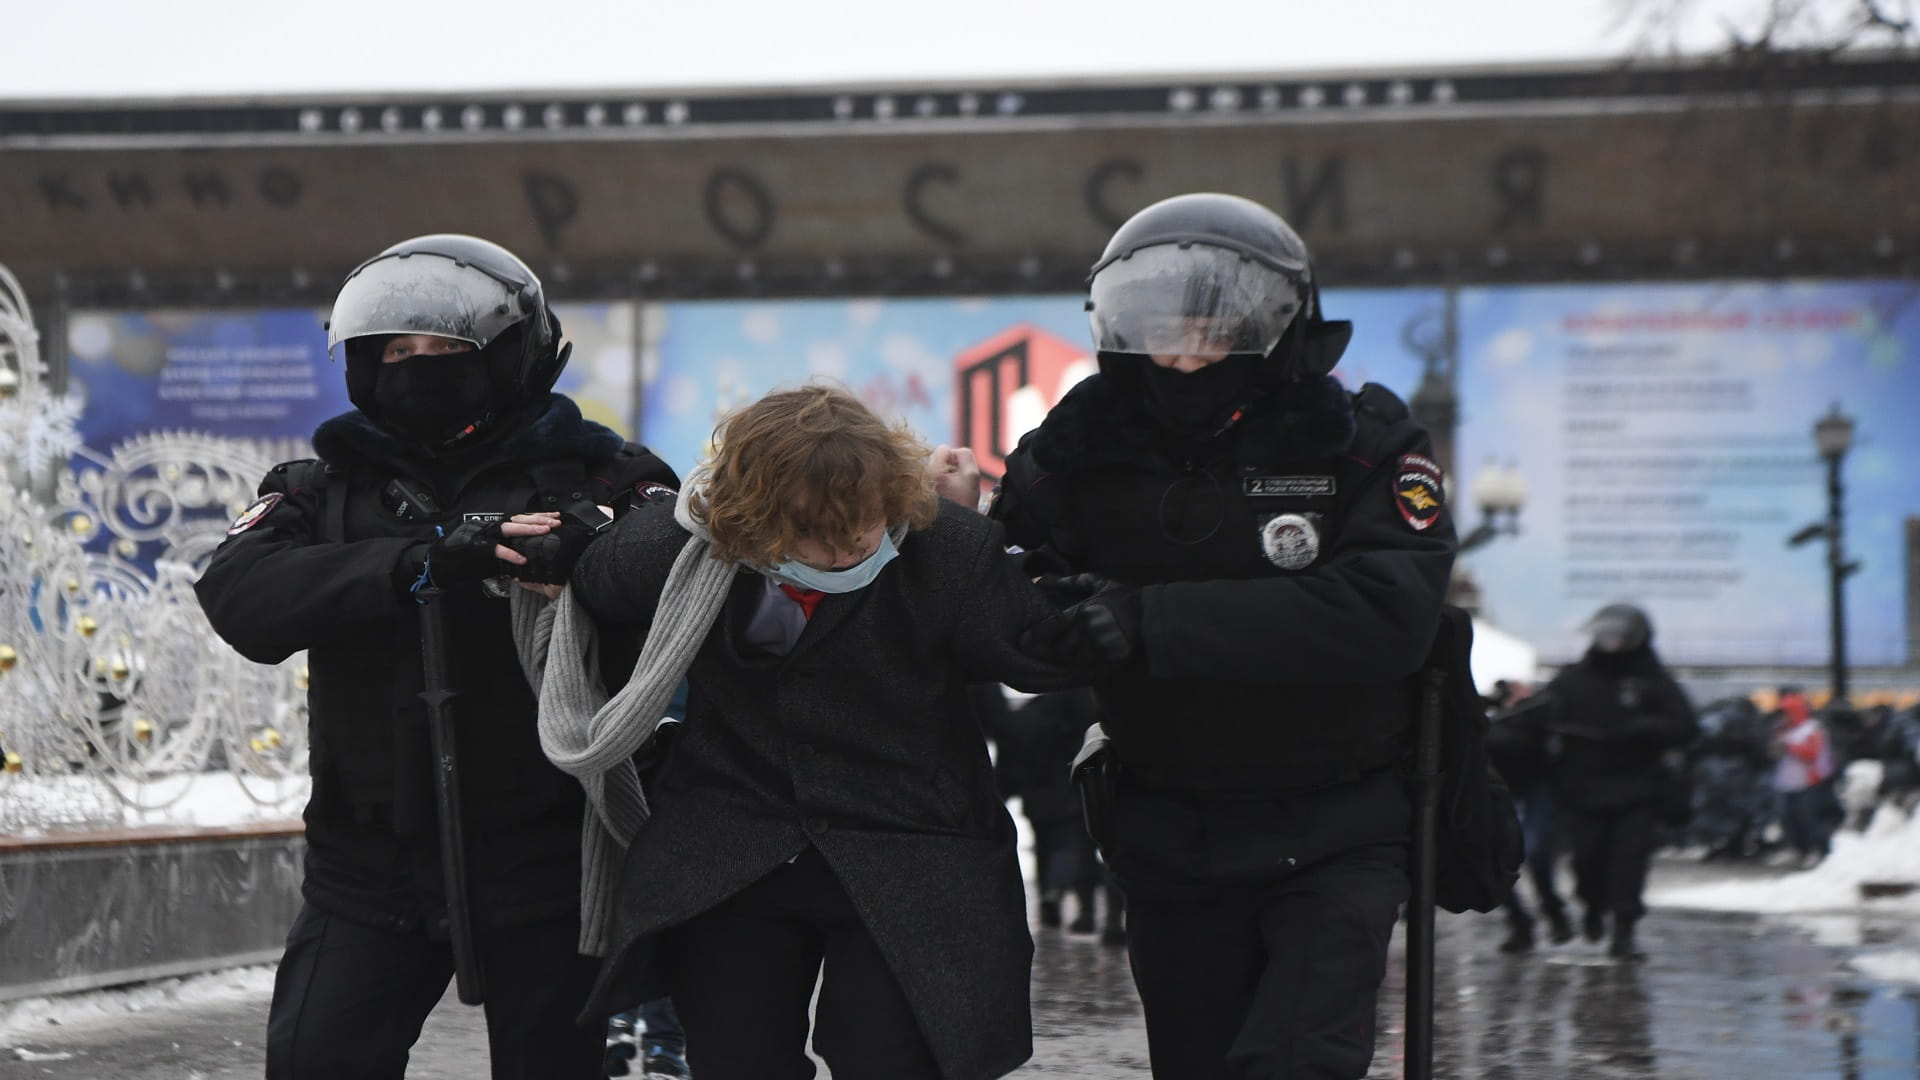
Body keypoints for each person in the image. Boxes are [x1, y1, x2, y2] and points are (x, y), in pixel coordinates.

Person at [989, 192, 1458, 1079]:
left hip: (1336, 822)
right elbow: (1006, 584)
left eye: (1213, 336)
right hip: (1171, 824)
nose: (1185, 360)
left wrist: (1148, 619)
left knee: (1296, 1060)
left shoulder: (1359, 441)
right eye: (1162, 335)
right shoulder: (1082, 445)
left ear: (1276, 331)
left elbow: (1387, 613)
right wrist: (1050, 606)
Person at [194, 234, 679, 1080]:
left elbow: (686, 566)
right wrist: (418, 564)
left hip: (552, 869)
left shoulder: (605, 474)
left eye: (447, 348)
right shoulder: (318, 489)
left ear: (513, 355)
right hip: (369, 868)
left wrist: (595, 552)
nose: (419, 367)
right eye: (397, 351)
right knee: (314, 1062)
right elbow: (240, 598)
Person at [518, 385, 1084, 1080]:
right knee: (737, 1059)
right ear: (748, 519)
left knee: (890, 1057)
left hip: (910, 843)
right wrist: (551, 554)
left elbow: (1040, 650)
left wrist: (1092, 592)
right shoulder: (673, 546)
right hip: (732, 844)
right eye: (813, 532)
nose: (842, 553)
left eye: (860, 528)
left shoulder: (948, 548)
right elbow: (590, 583)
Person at [1539, 604, 1698, 960]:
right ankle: (1592, 905)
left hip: (1636, 789)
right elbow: (1542, 714)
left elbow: (1686, 727)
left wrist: (1646, 728)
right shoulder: (1573, 679)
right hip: (1582, 789)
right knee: (1587, 860)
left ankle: (1624, 931)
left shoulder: (1654, 682)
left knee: (1629, 862)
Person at [981, 685, 1126, 942]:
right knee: (1079, 850)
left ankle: (1054, 893)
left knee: (1047, 848)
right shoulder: (1081, 706)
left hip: (1039, 798)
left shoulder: (1027, 715)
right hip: (1074, 793)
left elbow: (1010, 760)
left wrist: (1002, 792)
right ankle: (1082, 905)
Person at [1771, 685, 1837, 867]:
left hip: (1808, 781)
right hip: (1786, 780)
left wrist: (1789, 747)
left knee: (1809, 817)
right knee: (1786, 816)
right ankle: (1794, 848)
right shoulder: (1783, 728)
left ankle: (1815, 850)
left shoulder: (1813, 729)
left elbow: (1813, 754)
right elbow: (1773, 753)